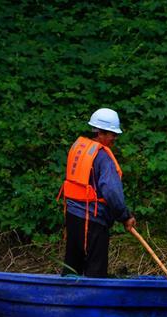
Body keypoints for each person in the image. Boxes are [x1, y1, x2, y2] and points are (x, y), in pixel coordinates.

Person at [57, 108, 135, 277]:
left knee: (72, 265)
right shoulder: (103, 157)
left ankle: (67, 297)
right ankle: (93, 299)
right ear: (100, 133)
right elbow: (112, 192)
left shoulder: (79, 147)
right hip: (93, 221)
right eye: (112, 134)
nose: (115, 138)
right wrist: (125, 216)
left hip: (73, 216)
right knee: (95, 269)